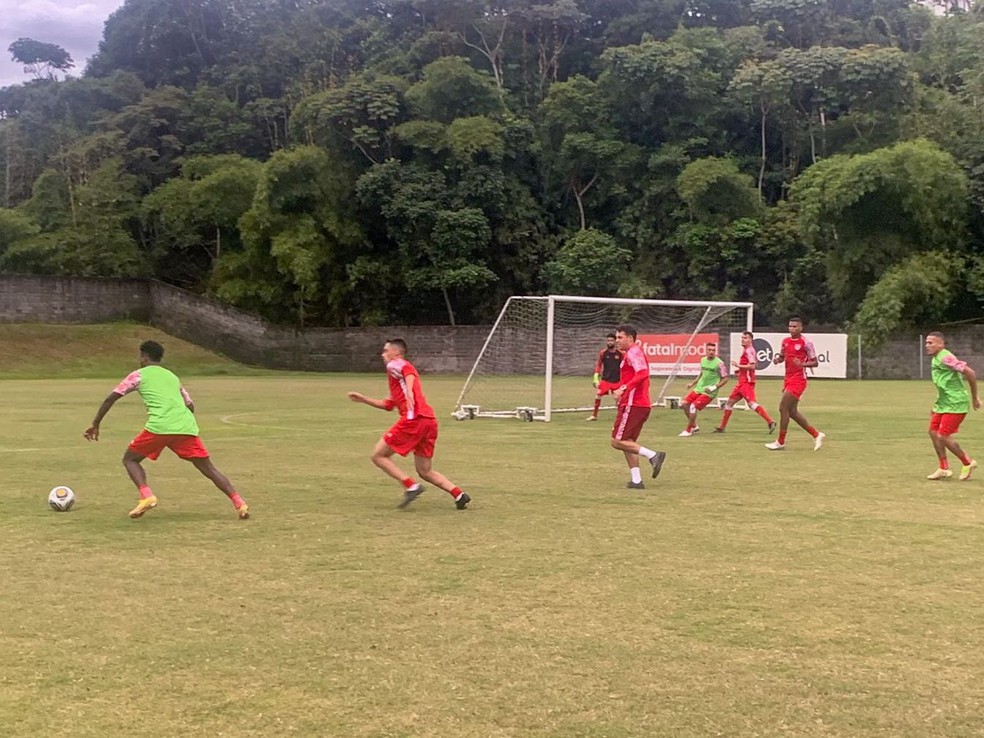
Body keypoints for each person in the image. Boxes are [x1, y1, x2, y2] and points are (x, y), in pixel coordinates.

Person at [82, 340, 250, 520]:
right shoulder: (172, 376)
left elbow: (111, 398)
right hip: (185, 426)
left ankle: (147, 496)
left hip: (160, 426)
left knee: (130, 459)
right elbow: (190, 405)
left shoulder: (139, 375)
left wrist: (95, 424)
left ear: (144, 356)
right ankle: (239, 503)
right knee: (208, 468)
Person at [348, 338, 470, 509]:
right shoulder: (397, 380)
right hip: (429, 421)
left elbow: (408, 370)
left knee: (378, 456)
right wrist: (363, 399)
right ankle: (459, 494)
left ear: (396, 352)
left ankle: (411, 486)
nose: (383, 355)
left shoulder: (395, 365)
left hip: (414, 420)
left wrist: (411, 394)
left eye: (385, 351)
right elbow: (389, 405)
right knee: (424, 470)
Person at [610, 324, 666, 489]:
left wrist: (623, 389)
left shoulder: (634, 352)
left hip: (634, 404)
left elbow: (642, 373)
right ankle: (636, 480)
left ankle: (653, 455)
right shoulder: (630, 353)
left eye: (620, 337)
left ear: (630, 338)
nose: (617, 341)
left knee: (616, 441)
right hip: (636, 404)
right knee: (628, 442)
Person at [924, 331, 980, 480]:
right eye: (926, 342)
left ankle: (967, 462)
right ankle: (943, 468)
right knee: (933, 432)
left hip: (956, 402)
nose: (926, 345)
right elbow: (945, 383)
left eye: (931, 343)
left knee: (943, 436)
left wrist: (975, 398)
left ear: (941, 344)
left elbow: (970, 373)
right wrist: (937, 403)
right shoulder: (936, 357)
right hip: (943, 403)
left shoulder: (945, 357)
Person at [765, 318, 826, 451]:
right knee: (791, 412)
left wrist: (802, 364)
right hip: (787, 379)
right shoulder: (785, 341)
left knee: (782, 408)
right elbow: (782, 356)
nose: (791, 329)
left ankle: (780, 442)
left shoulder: (806, 343)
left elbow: (815, 362)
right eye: (790, 326)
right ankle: (816, 434)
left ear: (800, 328)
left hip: (799, 380)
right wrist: (777, 360)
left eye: (794, 326)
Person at [715, 331, 776, 433]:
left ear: (750, 340)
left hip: (746, 383)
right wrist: (740, 371)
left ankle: (770, 421)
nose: (743, 339)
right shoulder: (748, 350)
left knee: (752, 404)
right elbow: (754, 364)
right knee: (729, 404)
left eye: (745, 338)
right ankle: (722, 428)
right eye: (742, 338)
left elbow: (752, 365)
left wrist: (739, 366)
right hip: (742, 382)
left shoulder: (749, 351)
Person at [678, 342, 728, 437]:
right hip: (699, 388)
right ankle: (694, 425)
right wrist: (692, 383)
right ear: (706, 350)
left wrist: (714, 387)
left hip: (709, 392)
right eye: (709, 350)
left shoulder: (719, 363)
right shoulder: (702, 360)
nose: (711, 352)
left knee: (693, 407)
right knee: (684, 404)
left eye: (713, 350)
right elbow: (701, 374)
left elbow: (726, 378)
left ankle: (688, 430)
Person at [587, 332, 623, 421]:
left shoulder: (621, 354)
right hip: (606, 380)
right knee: (598, 395)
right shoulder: (603, 353)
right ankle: (594, 416)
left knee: (617, 398)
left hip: (617, 380)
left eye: (611, 340)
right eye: (608, 341)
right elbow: (599, 365)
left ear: (615, 342)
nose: (609, 342)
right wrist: (596, 376)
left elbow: (624, 366)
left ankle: (621, 416)